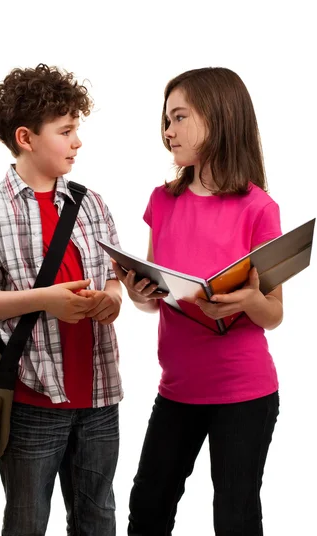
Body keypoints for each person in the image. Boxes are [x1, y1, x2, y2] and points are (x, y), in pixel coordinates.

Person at [0, 64, 123, 536]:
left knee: (99, 520)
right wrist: (45, 300)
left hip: (100, 396)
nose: (77, 142)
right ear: (26, 137)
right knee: (27, 523)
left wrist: (111, 298)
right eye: (65, 131)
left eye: (76, 130)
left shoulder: (93, 203)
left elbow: (113, 280)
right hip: (32, 399)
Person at [113, 67, 283, 536]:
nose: (168, 131)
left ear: (219, 118)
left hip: (244, 392)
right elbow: (156, 298)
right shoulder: (161, 201)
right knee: (147, 508)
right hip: (178, 389)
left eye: (179, 117)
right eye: (165, 119)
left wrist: (247, 299)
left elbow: (275, 314)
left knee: (235, 518)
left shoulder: (258, 208)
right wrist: (138, 293)